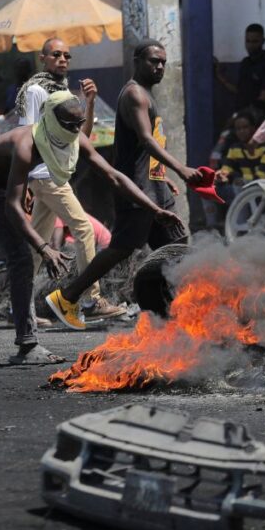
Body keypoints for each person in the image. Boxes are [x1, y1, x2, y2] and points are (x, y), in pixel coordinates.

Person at [0, 91, 182, 363]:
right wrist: (44, 246)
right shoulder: (27, 144)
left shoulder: (74, 138)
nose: (75, 130)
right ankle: (27, 344)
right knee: (22, 257)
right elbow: (12, 206)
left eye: (78, 124)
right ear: (51, 120)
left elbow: (114, 177)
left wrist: (154, 209)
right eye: (69, 124)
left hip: (5, 182)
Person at [45, 39, 201, 330]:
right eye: (154, 61)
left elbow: (137, 150)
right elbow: (146, 140)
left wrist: (162, 176)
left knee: (176, 248)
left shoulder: (146, 95)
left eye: (163, 62)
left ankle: (171, 312)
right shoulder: (134, 95)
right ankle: (67, 296)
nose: (159, 67)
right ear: (137, 61)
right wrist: (181, 168)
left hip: (153, 186)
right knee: (122, 247)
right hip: (137, 191)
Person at [17, 38, 124, 320]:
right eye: (56, 55)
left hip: (54, 174)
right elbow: (25, 135)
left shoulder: (63, 91)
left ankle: (21, 306)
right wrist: (23, 179)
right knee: (83, 229)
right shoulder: (36, 91)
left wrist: (88, 103)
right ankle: (91, 300)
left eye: (67, 55)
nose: (63, 59)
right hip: (46, 175)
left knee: (38, 246)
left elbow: (81, 137)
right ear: (43, 59)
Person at [215, 23, 265, 114]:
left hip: (257, 118)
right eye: (248, 41)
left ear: (263, 41)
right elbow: (239, 91)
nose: (250, 45)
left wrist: (245, 117)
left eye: (255, 41)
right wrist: (220, 77)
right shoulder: (245, 63)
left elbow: (263, 99)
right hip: (242, 115)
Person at [216, 111, 265, 190]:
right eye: (238, 129)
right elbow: (225, 170)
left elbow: (261, 176)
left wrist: (239, 179)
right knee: (205, 189)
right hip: (243, 187)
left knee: (238, 186)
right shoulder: (235, 149)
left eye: (245, 127)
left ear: (254, 128)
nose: (241, 131)